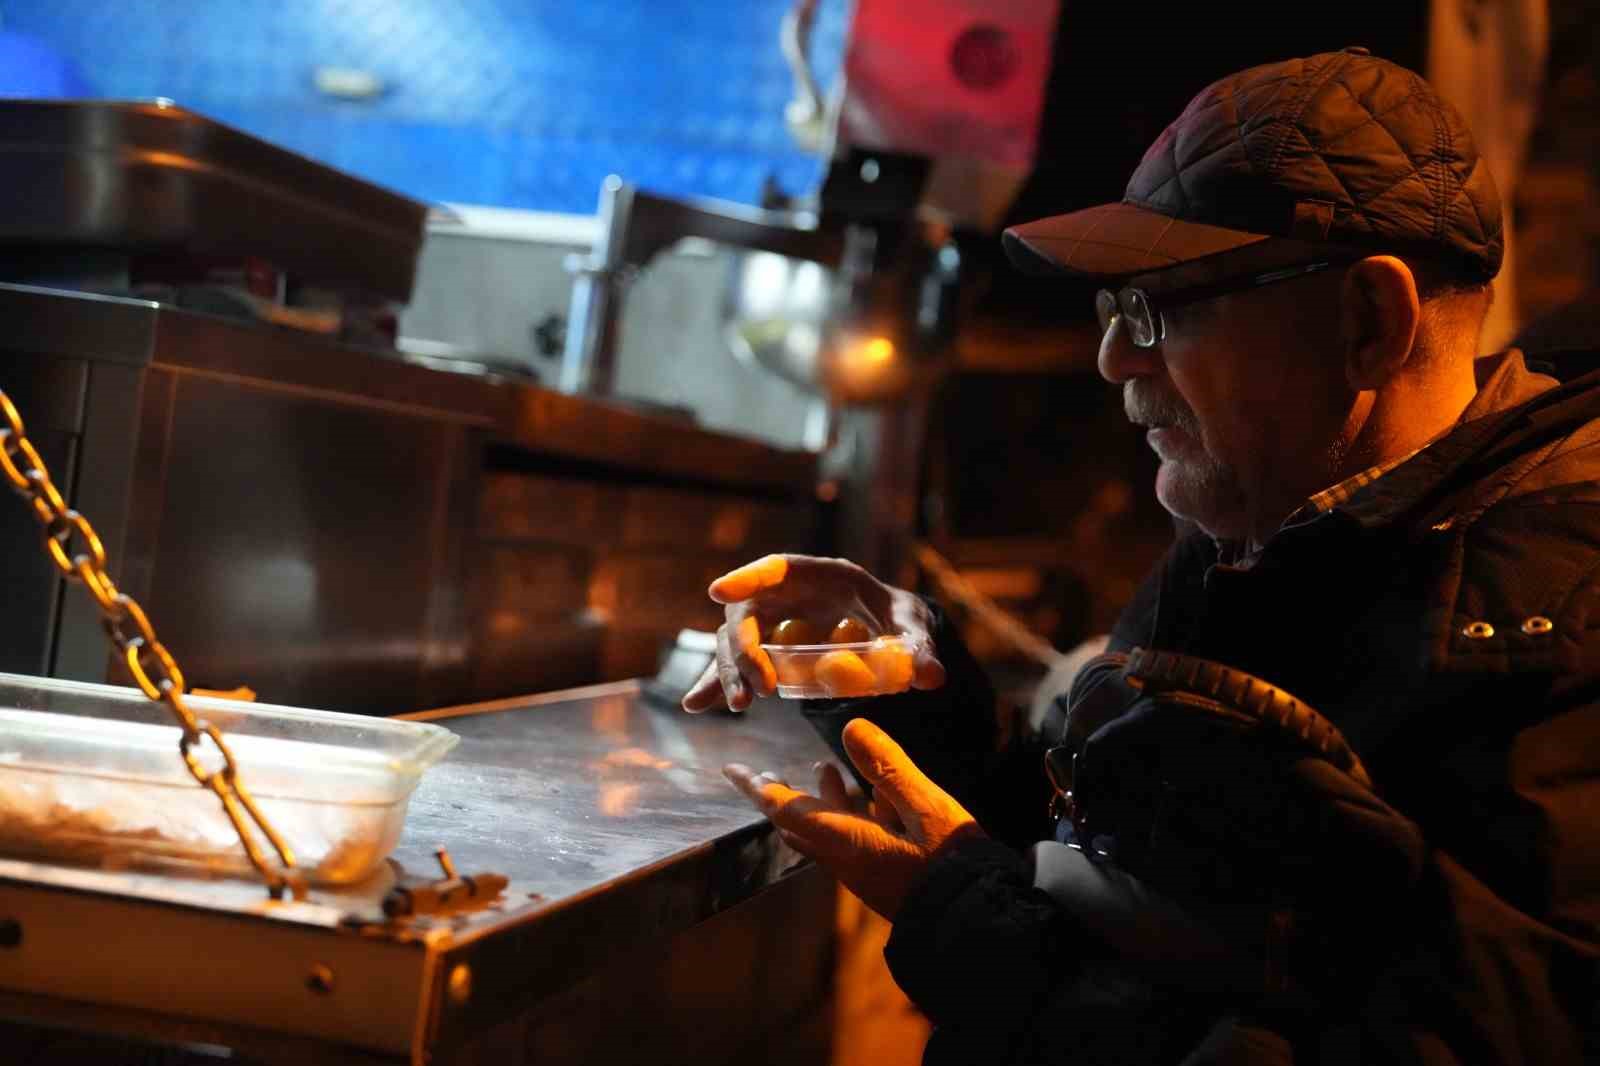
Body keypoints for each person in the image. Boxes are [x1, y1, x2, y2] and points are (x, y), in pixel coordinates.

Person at [684, 48, 1600, 1064]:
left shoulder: (1562, 625)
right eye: (1114, 309)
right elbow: (1125, 856)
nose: (1113, 357)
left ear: (1366, 322)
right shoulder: (1253, 535)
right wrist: (926, 702)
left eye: (1158, 307)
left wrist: (990, 942)